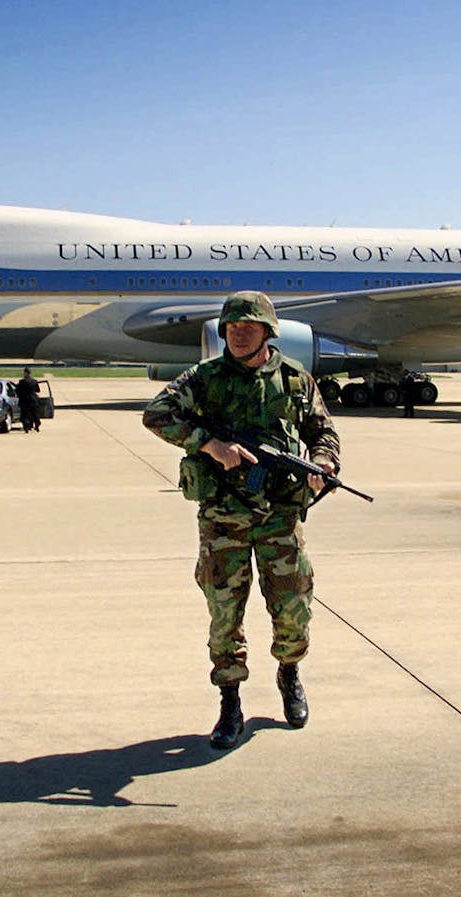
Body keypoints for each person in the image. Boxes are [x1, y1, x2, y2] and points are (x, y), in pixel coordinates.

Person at [143, 291, 340, 750]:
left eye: (248, 326)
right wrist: (210, 445)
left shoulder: (294, 379)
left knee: (293, 609)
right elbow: (156, 414)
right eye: (231, 326)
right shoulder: (205, 378)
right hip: (223, 519)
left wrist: (324, 463)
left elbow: (323, 430)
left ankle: (289, 673)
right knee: (224, 615)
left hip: (280, 519)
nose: (237, 333)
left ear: (267, 332)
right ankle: (230, 702)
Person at [16, 367, 42, 433]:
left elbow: (17, 390)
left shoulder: (22, 382)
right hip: (33, 400)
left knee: (24, 415)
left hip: (24, 400)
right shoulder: (34, 381)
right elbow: (38, 390)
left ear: (26, 373)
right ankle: (37, 424)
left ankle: (26, 427)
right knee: (34, 413)